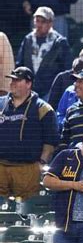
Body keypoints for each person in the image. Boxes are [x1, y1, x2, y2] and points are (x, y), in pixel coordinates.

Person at [0, 67, 58, 199]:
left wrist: (41, 163)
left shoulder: (43, 109)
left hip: (28, 168)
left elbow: (50, 141)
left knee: (25, 210)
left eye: (17, 80)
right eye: (12, 80)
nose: (12, 83)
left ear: (29, 84)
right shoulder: (0, 104)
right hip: (1, 166)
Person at [16, 6, 72, 99]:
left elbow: (67, 69)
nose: (39, 24)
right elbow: (19, 64)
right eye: (37, 21)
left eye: (43, 22)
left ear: (50, 23)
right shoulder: (28, 39)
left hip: (50, 92)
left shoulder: (59, 42)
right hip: (28, 91)